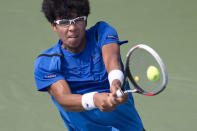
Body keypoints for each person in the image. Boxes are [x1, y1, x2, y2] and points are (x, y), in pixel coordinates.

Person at [34, 0, 145, 130]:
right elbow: (64, 99)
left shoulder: (101, 32)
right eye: (64, 22)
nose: (72, 28)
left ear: (85, 21)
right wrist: (94, 99)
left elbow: (112, 60)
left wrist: (115, 83)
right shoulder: (46, 62)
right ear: (54, 26)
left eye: (78, 20)